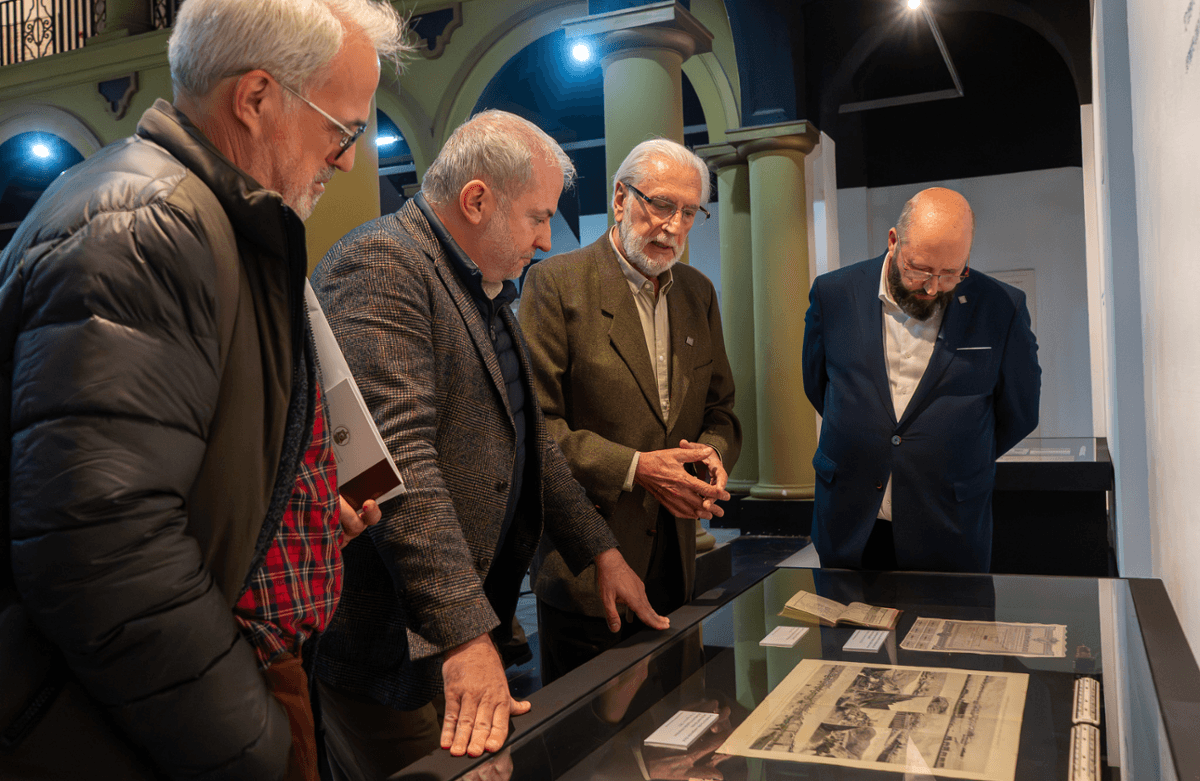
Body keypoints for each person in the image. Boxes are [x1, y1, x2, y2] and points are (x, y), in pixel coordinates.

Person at [0, 1, 407, 778]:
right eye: (342, 128)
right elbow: (101, 552)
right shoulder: (145, 228)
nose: (349, 158)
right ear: (255, 100)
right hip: (144, 724)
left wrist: (294, 511)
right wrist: (250, 737)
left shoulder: (211, 219)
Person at [310, 109, 668, 778]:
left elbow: (531, 449)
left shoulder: (482, 286)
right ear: (476, 200)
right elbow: (399, 464)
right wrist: (463, 633)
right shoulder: (383, 264)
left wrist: (601, 550)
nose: (543, 240)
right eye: (536, 217)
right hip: (399, 649)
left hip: (462, 633)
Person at [519, 138, 741, 684]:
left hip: (676, 557)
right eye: (661, 204)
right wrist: (637, 467)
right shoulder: (556, 284)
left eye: (689, 212)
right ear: (620, 198)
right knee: (592, 747)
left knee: (675, 727)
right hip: (590, 563)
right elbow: (535, 428)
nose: (674, 225)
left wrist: (711, 455)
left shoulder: (698, 292)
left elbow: (723, 411)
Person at [801, 187, 1040, 573]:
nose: (932, 287)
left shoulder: (1001, 307)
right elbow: (819, 384)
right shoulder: (834, 294)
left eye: (950, 274)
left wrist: (952, 452)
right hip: (850, 515)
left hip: (948, 524)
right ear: (894, 241)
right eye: (920, 269)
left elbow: (1021, 411)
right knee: (847, 630)